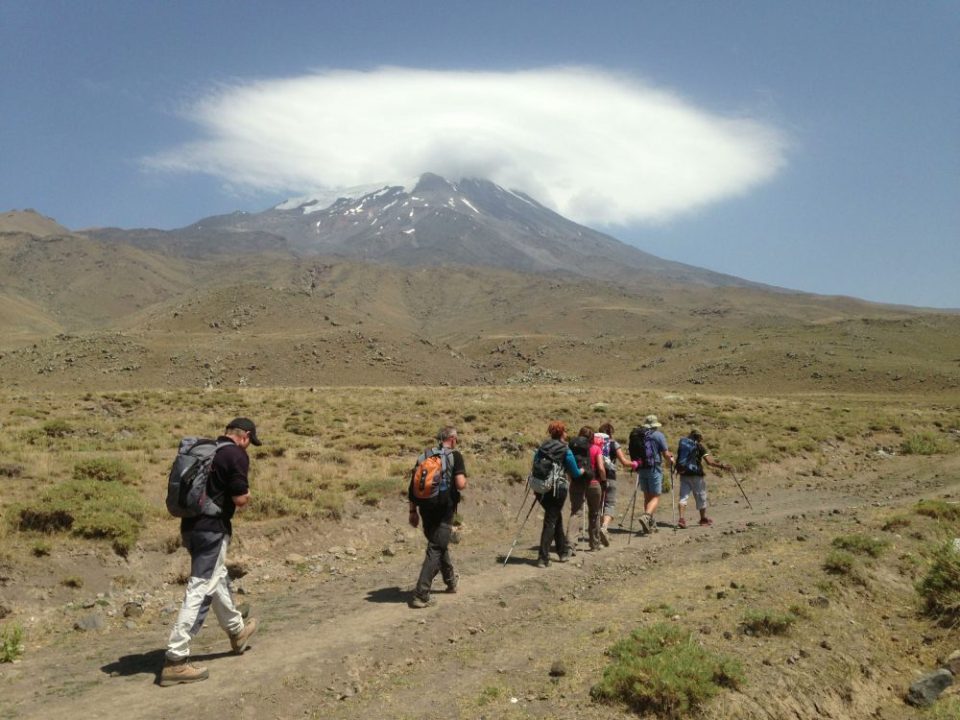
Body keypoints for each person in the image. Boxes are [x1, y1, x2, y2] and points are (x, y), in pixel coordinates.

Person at [160, 418, 261, 687]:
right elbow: (239, 498)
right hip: (213, 528)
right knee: (202, 587)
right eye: (251, 442)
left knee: (216, 578)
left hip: (191, 526)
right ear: (246, 437)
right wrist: (247, 496)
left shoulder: (209, 450)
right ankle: (176, 659)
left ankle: (237, 632)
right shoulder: (235, 454)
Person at [408, 426, 467, 608]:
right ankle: (421, 594)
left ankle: (450, 582)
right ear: (452, 439)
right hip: (444, 509)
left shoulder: (424, 456)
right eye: (456, 438)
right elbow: (461, 484)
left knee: (439, 544)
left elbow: (412, 487)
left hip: (425, 508)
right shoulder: (454, 456)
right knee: (436, 548)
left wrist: (413, 512)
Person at [533, 421, 589, 567]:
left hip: (540, 488)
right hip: (558, 489)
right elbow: (575, 473)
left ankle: (562, 552)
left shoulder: (543, 446)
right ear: (562, 433)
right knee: (551, 520)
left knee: (555, 517)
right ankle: (542, 558)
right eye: (565, 431)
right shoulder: (566, 449)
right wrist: (583, 470)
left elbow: (535, 464)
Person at [675, 428, 731, 528]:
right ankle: (703, 519)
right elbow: (709, 462)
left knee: (683, 497)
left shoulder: (683, 444)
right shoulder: (699, 447)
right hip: (697, 475)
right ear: (698, 437)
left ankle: (681, 519)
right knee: (701, 496)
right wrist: (722, 466)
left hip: (684, 474)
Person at [565, 427, 605, 553]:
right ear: (592, 437)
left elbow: (568, 466)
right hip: (593, 483)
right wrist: (603, 480)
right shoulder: (596, 448)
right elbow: (600, 467)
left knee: (576, 512)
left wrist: (571, 480)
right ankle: (594, 544)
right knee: (594, 512)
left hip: (577, 482)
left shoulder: (572, 448)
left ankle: (571, 544)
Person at [635, 414, 673, 535]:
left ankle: (650, 524)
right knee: (656, 496)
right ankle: (646, 517)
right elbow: (666, 454)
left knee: (647, 496)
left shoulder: (639, 435)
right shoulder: (658, 435)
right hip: (654, 468)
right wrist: (671, 460)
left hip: (641, 468)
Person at [596, 422, 631, 546]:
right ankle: (604, 527)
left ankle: (596, 531)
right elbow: (624, 462)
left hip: (596, 478)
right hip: (610, 476)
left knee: (598, 504)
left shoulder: (595, 444)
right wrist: (636, 464)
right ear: (611, 432)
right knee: (609, 503)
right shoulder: (613, 444)